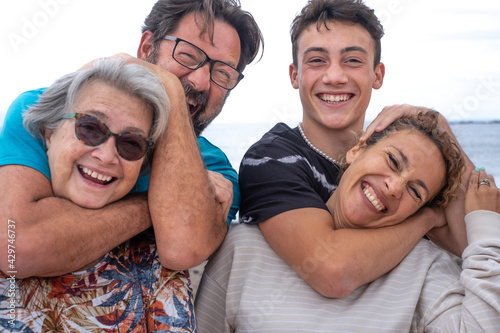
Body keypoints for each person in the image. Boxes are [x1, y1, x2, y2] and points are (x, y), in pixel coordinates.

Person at [0, 0, 264, 278]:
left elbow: (183, 248)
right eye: (187, 56)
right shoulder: (46, 112)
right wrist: (153, 205)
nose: (200, 81)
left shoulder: (214, 168)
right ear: (147, 48)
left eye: (222, 73)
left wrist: (171, 92)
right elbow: (18, 247)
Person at [234, 0, 472, 301]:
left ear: (377, 75)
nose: (335, 76)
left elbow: (477, 245)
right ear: (295, 75)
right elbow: (332, 270)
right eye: (317, 60)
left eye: (353, 61)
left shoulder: (400, 167)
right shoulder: (271, 159)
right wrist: (427, 218)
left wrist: (440, 126)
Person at [195, 111, 500, 332]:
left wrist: (486, 229)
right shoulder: (243, 249)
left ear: (417, 210)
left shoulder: (424, 267)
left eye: (414, 191)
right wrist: (430, 218)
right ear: (356, 150)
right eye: (393, 161)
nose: (394, 187)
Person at [0, 58, 199, 332]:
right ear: (48, 133)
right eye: (90, 128)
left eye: (131, 144)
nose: (106, 156)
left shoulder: (153, 266)